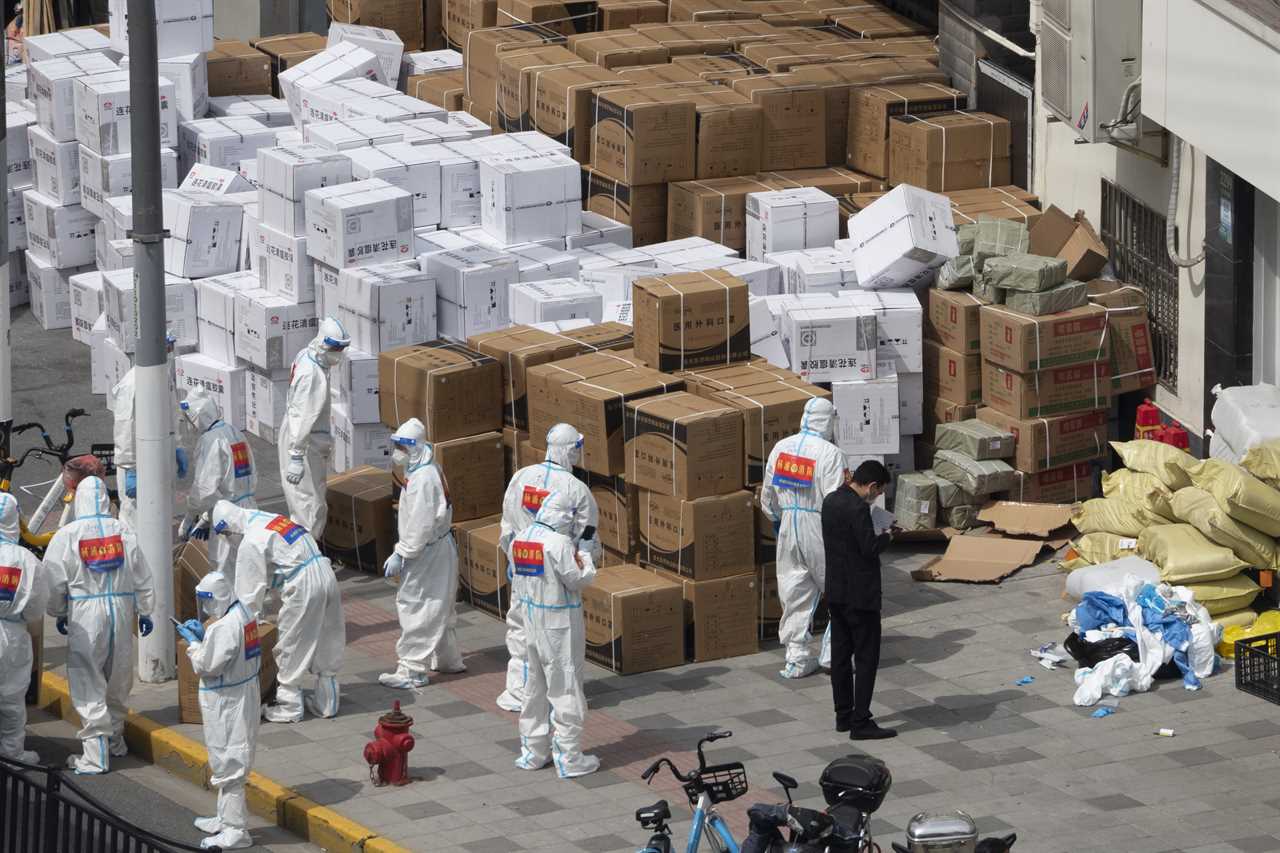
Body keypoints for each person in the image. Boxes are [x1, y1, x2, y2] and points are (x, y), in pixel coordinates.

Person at [44, 476, 155, 773]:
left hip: (86, 612)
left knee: (87, 678)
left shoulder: (68, 535)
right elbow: (142, 573)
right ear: (106, 499)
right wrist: (145, 611)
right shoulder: (123, 531)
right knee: (118, 676)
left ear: (78, 500)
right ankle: (114, 740)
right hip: (120, 607)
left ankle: (95, 754)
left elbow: (53, 580)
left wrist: (59, 612)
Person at [495, 423, 599, 713]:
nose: (580, 452)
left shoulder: (522, 477)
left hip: (524, 563)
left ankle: (520, 692)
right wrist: (583, 566)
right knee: (560, 639)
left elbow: (507, 521)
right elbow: (586, 536)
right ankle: (562, 698)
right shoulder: (575, 489)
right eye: (577, 447)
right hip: (557, 572)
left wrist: (512, 557)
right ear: (569, 450)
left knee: (520, 627)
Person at [211, 500, 344, 723]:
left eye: (225, 534)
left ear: (230, 527)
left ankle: (288, 705)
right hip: (325, 572)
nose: (227, 539)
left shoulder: (250, 540)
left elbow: (248, 597)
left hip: (303, 584)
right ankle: (327, 702)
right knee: (326, 636)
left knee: (292, 641)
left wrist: (234, 628)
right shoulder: (269, 519)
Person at [507, 491, 599, 778]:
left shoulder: (521, 538)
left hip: (530, 619)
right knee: (565, 686)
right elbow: (578, 579)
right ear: (561, 515)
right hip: (559, 623)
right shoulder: (558, 543)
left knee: (534, 687)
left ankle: (534, 751)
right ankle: (569, 758)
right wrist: (583, 554)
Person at [760, 398, 846, 679]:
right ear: (828, 421)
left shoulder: (781, 448)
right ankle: (833, 655)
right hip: (819, 527)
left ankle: (796, 659)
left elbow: (768, 495)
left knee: (793, 592)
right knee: (838, 590)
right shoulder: (830, 453)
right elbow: (835, 499)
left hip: (787, 525)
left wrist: (777, 520)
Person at [176, 572, 260, 850]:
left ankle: (236, 831)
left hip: (228, 701)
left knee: (230, 761)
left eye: (208, 601)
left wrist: (195, 644)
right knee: (226, 758)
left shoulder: (225, 626)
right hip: (238, 693)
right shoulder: (242, 613)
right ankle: (225, 819)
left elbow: (206, 665)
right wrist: (206, 637)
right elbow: (227, 650)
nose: (206, 608)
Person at [379, 419, 465, 689]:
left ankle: (412, 669)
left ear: (414, 448)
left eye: (402, 447)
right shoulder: (425, 469)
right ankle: (448, 658)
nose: (397, 452)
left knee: (417, 604)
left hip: (426, 552)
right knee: (439, 602)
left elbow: (420, 523)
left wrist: (401, 553)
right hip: (438, 548)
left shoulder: (423, 479)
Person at [821, 460, 895, 740]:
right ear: (872, 486)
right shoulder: (858, 508)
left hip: (837, 592)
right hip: (861, 596)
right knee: (865, 658)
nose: (875, 497)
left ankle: (843, 715)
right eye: (877, 492)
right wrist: (887, 536)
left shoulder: (831, 501)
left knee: (841, 655)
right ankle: (861, 720)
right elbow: (868, 548)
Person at [278, 317, 350, 542]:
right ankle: (306, 559)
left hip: (301, 435)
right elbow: (302, 414)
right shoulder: (312, 375)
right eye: (335, 348)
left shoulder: (308, 356)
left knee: (305, 500)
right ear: (323, 344)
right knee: (309, 503)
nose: (339, 353)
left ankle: (306, 553)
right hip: (304, 441)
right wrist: (297, 455)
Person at [179, 388, 257, 588]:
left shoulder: (210, 440)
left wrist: (190, 517)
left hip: (227, 518)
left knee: (223, 574)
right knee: (248, 570)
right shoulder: (234, 432)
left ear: (198, 416)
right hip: (249, 509)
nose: (190, 425)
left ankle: (227, 616)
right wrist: (207, 516)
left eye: (190, 419)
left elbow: (204, 488)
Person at [110, 331, 187, 531]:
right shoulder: (134, 384)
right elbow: (125, 426)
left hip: (161, 453)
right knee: (136, 520)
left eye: (171, 347)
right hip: (138, 461)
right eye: (167, 348)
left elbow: (172, 413)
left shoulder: (163, 377)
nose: (170, 352)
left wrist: (177, 446)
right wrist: (130, 468)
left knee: (161, 516)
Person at [0, 493, 47, 764]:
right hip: (12, 635)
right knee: (11, 696)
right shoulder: (26, 560)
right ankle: (12, 753)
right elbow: (36, 607)